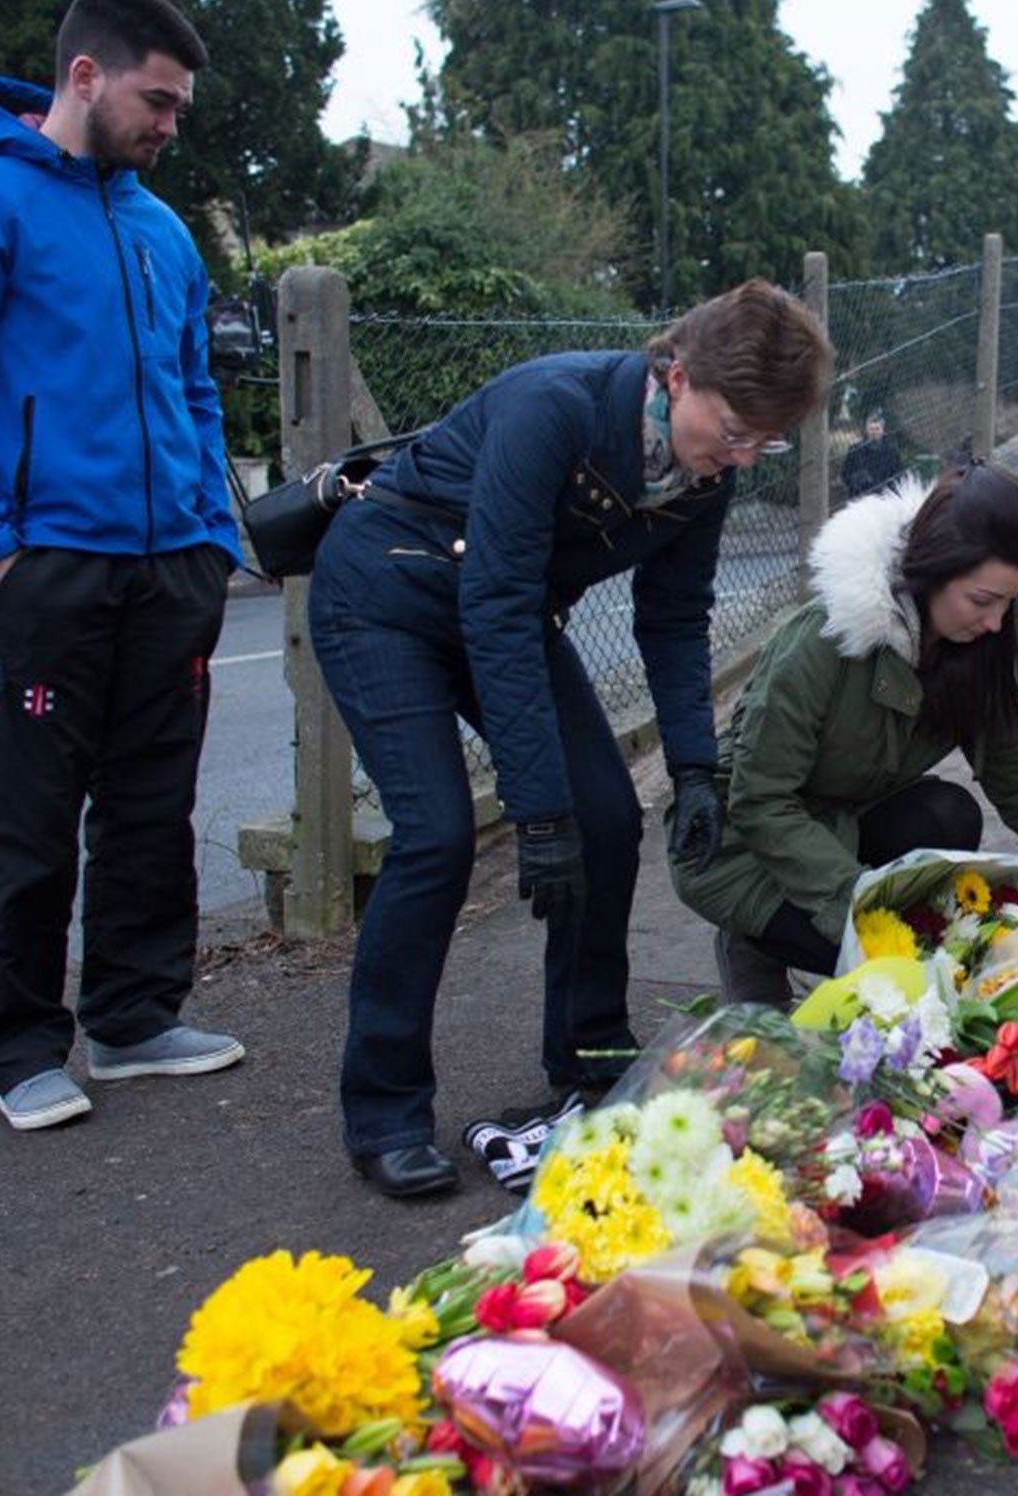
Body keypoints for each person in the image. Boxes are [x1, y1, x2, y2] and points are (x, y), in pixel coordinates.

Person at [308, 280, 833, 1199]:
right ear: (677, 375)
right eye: (734, 426)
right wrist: (533, 812)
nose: (741, 454)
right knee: (434, 835)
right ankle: (384, 1108)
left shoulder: (706, 478)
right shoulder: (554, 407)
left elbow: (674, 623)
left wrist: (695, 771)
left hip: (501, 613)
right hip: (386, 594)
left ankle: (589, 1051)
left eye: (765, 440)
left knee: (608, 819)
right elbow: (500, 606)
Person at [0, 0, 247, 1133]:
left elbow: (191, 386)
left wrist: (211, 534)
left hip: (168, 567)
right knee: (28, 814)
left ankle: (134, 1020)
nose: (169, 126)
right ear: (83, 78)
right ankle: (23, 1048)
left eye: (179, 108)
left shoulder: (161, 228)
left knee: (152, 807)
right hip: (47, 569)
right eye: (156, 100)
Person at [670, 461, 1018, 1004]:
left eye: (1011, 602)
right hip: (738, 841)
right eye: (983, 600)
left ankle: (823, 936)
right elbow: (760, 801)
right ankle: (753, 940)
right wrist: (862, 910)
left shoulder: (984, 645)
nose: (996, 623)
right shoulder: (823, 641)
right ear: (933, 571)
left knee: (947, 815)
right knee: (901, 969)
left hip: (843, 822)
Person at [839, 410, 902, 500]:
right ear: (866, 430)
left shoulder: (892, 451)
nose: (874, 432)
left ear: (882, 430)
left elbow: (898, 474)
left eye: (877, 429)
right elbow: (845, 474)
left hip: (885, 497)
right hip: (861, 496)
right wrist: (856, 479)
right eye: (871, 429)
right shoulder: (855, 450)